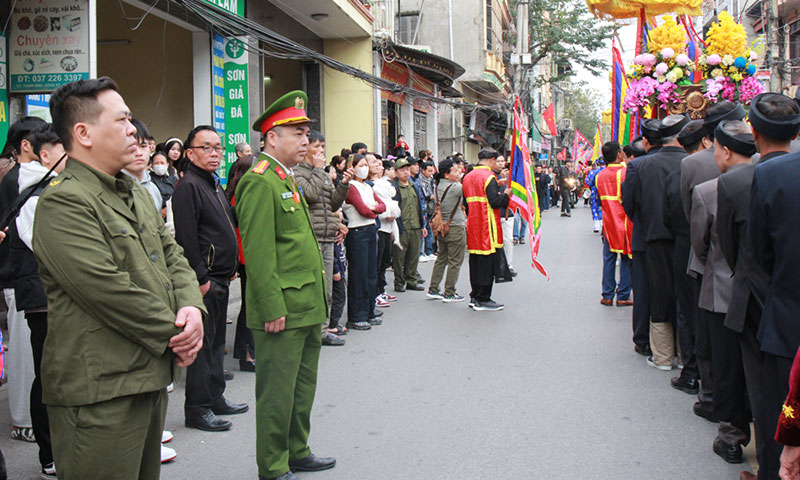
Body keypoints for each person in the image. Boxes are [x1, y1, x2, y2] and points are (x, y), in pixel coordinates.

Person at [33, 77, 205, 479]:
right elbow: (107, 290)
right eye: (123, 119)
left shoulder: (134, 192)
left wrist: (191, 310)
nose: (134, 130)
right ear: (83, 133)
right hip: (99, 391)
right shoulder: (64, 201)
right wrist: (177, 333)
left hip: (145, 376)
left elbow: (172, 256)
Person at [236, 90, 336, 480]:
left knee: (301, 387)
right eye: (297, 133)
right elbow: (258, 254)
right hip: (283, 308)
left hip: (306, 304)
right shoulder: (260, 181)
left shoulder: (284, 176)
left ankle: (298, 450)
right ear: (271, 137)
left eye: (306, 133)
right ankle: (274, 466)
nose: (306, 141)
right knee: (277, 393)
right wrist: (271, 305)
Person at [172, 125, 248, 432]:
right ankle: (198, 408)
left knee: (217, 343)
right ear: (190, 153)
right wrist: (200, 277)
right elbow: (187, 239)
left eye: (218, 147)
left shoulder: (213, 184)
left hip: (221, 276)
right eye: (206, 147)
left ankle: (216, 397)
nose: (214, 153)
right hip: (205, 280)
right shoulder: (188, 186)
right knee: (203, 347)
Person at [745, 92, 800, 480]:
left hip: (786, 318)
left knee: (780, 417)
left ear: (754, 131)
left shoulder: (769, 174)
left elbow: (758, 254)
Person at [9, 123, 65, 479]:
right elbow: (46, 246)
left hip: (55, 296)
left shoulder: (52, 187)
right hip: (42, 298)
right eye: (63, 149)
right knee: (48, 374)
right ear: (43, 154)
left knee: (60, 373)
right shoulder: (32, 191)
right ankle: (48, 453)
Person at [624, 115, 690, 370]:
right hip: (687, 239)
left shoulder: (639, 166)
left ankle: (656, 349)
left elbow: (629, 204)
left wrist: (647, 221)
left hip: (651, 236)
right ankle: (686, 353)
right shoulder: (691, 161)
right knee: (684, 294)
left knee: (650, 292)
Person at [0, 116, 46, 445]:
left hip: (22, 277)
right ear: (26, 145)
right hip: (17, 277)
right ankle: (22, 419)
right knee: (24, 355)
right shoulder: (16, 179)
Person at [294, 130, 351, 346]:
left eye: (322, 148)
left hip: (328, 237)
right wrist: (318, 171)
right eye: (316, 147)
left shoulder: (325, 175)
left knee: (327, 290)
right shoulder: (297, 172)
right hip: (312, 237)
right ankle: (309, 333)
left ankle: (322, 331)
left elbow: (332, 204)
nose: (320, 151)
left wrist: (343, 184)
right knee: (313, 289)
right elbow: (308, 195)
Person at [463, 148, 512, 311]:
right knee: (487, 263)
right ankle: (483, 298)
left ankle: (474, 295)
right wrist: (505, 194)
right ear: (491, 160)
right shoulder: (488, 177)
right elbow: (495, 202)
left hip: (473, 223)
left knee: (475, 261)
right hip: (487, 225)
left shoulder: (467, 176)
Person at [342, 154, 386, 331]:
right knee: (358, 275)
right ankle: (356, 315)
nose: (364, 167)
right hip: (357, 232)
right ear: (351, 167)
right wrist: (374, 209)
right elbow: (363, 210)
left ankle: (369, 311)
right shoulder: (351, 187)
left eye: (365, 164)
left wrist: (373, 209)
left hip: (370, 230)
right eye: (360, 164)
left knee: (370, 274)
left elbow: (382, 205)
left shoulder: (367, 186)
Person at [621, 134, 653, 357]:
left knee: (643, 288)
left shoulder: (635, 168)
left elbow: (628, 202)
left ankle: (644, 339)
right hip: (676, 239)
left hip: (641, 233)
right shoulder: (684, 162)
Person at [226, 155, 258, 370]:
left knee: (254, 306)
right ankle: (246, 353)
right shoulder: (240, 195)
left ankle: (249, 351)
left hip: (255, 255)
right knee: (250, 307)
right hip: (248, 257)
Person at [595, 142, 632, 308]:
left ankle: (607, 295)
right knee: (626, 258)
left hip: (608, 222)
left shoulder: (599, 176)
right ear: (619, 155)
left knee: (609, 259)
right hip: (623, 221)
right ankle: (623, 294)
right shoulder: (626, 173)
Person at [427, 158, 466, 303]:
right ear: (446, 174)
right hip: (455, 226)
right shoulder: (456, 187)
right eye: (455, 171)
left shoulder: (438, 185)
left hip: (442, 226)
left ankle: (433, 288)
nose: (459, 173)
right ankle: (449, 292)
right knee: (455, 261)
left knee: (441, 258)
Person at [392, 158, 427, 292]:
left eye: (407, 169)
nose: (406, 172)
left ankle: (412, 281)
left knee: (414, 256)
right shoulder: (394, 188)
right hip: (402, 227)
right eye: (402, 170)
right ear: (396, 172)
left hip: (416, 226)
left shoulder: (414, 186)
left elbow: (419, 206)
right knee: (399, 257)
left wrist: (422, 225)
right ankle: (399, 282)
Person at [372, 159, 401, 305]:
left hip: (388, 226)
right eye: (375, 164)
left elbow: (390, 198)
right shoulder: (371, 185)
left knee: (384, 261)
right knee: (376, 263)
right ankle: (375, 292)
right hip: (379, 226)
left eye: (380, 165)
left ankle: (382, 290)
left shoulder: (385, 183)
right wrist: (385, 213)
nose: (379, 167)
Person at [124, 119, 163, 210]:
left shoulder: (153, 189)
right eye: (131, 147)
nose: (138, 153)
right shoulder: (114, 189)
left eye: (143, 146)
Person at [493, 155, 517, 277]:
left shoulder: (511, 175)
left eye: (502, 161)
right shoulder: (490, 176)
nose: (500, 164)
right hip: (494, 213)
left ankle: (508, 265)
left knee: (508, 240)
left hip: (507, 213)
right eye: (498, 161)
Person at [418, 160, 437, 260]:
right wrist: (430, 197)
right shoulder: (419, 181)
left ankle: (429, 251)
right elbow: (422, 196)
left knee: (430, 230)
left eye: (432, 171)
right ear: (422, 170)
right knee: (423, 230)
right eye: (429, 171)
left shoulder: (431, 180)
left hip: (431, 208)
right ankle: (420, 253)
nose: (431, 173)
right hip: (424, 208)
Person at [584, 160, 604, 232]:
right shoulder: (609, 171)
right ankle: (603, 224)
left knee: (595, 207)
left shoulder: (593, 172)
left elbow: (588, 181)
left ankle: (597, 225)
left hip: (595, 191)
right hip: (607, 193)